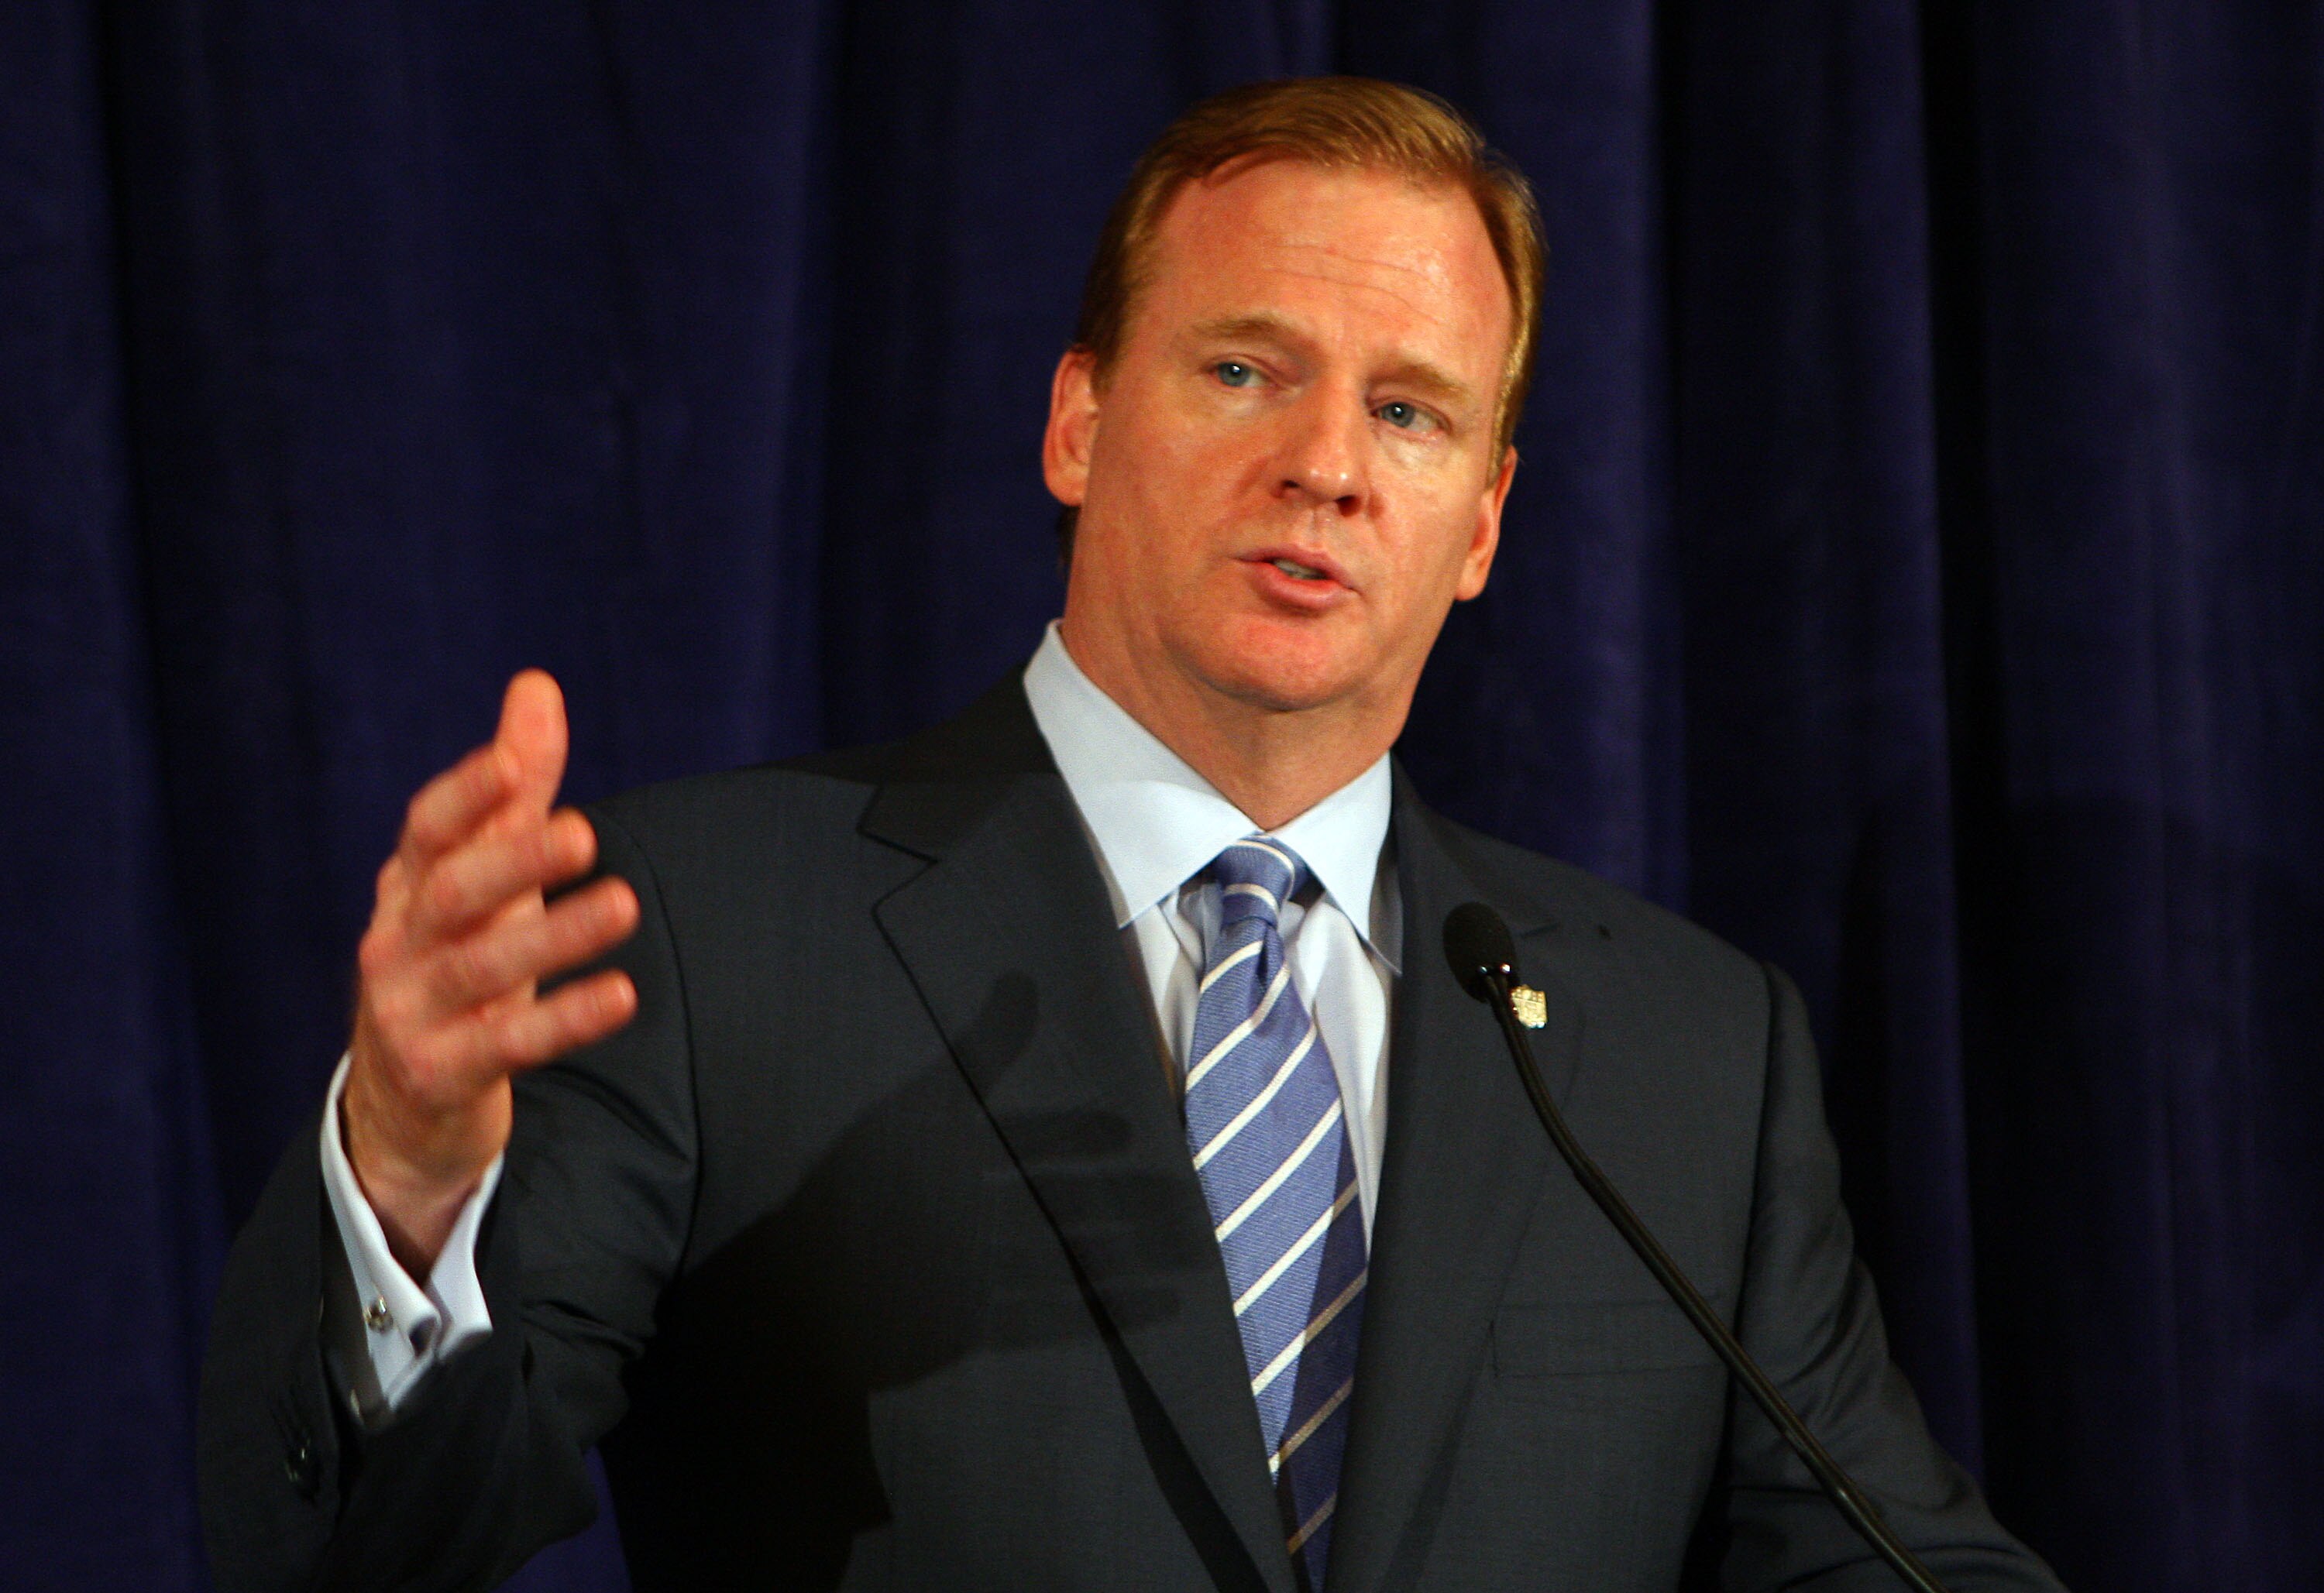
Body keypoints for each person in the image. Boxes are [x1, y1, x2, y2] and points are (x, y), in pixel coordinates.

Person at [198, 77, 2065, 1592]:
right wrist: (412, 1181)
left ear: (1483, 524)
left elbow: (1881, 1559)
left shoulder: (1687, 1055)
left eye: (1409, 413)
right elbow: (368, 1552)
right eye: (1245, 370)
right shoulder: (702, 931)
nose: (1326, 461)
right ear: (1079, 421)